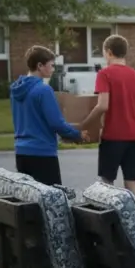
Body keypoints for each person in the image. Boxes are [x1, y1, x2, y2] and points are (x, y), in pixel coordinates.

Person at [80, 35, 135, 200]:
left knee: (107, 183)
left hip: (114, 135)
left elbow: (103, 105)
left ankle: (108, 222)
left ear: (109, 52)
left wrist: (83, 124)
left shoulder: (105, 74)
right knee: (132, 183)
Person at [10, 46, 84, 186]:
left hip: (21, 152)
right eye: (51, 65)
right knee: (52, 201)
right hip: (42, 153)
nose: (53, 69)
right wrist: (77, 135)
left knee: (29, 200)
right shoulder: (43, 90)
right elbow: (56, 123)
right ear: (40, 66)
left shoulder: (16, 90)